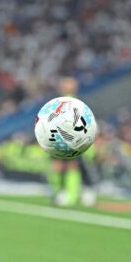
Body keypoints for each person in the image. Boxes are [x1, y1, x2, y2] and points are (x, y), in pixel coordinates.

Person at [46, 77, 97, 207]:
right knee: (61, 165)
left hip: (71, 138)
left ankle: (68, 195)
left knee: (70, 165)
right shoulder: (60, 101)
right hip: (60, 137)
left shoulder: (75, 101)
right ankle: (63, 194)